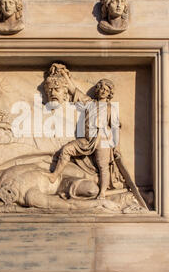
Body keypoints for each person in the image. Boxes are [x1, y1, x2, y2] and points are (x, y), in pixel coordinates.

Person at [47, 70, 120, 200]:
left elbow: (115, 128)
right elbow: (74, 90)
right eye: (101, 88)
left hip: (103, 139)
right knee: (66, 150)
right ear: (97, 91)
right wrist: (64, 76)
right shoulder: (90, 103)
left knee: (103, 166)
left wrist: (116, 147)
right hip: (86, 140)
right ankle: (55, 174)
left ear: (109, 94)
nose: (103, 91)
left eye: (106, 90)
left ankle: (102, 193)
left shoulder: (111, 109)